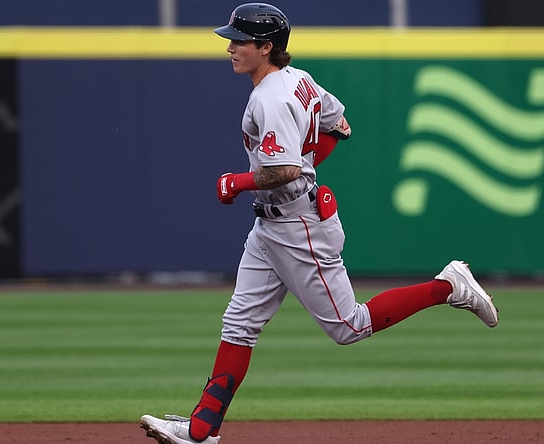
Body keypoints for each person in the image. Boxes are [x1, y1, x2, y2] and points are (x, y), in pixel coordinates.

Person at [140, 3, 499, 443]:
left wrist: (238, 181)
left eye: (239, 40)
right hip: (271, 227)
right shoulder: (297, 79)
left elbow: (285, 169)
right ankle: (200, 431)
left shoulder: (271, 96)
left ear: (266, 47)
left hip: (298, 225)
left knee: (349, 326)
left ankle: (449, 286)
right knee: (239, 325)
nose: (230, 47)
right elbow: (340, 126)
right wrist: (303, 165)